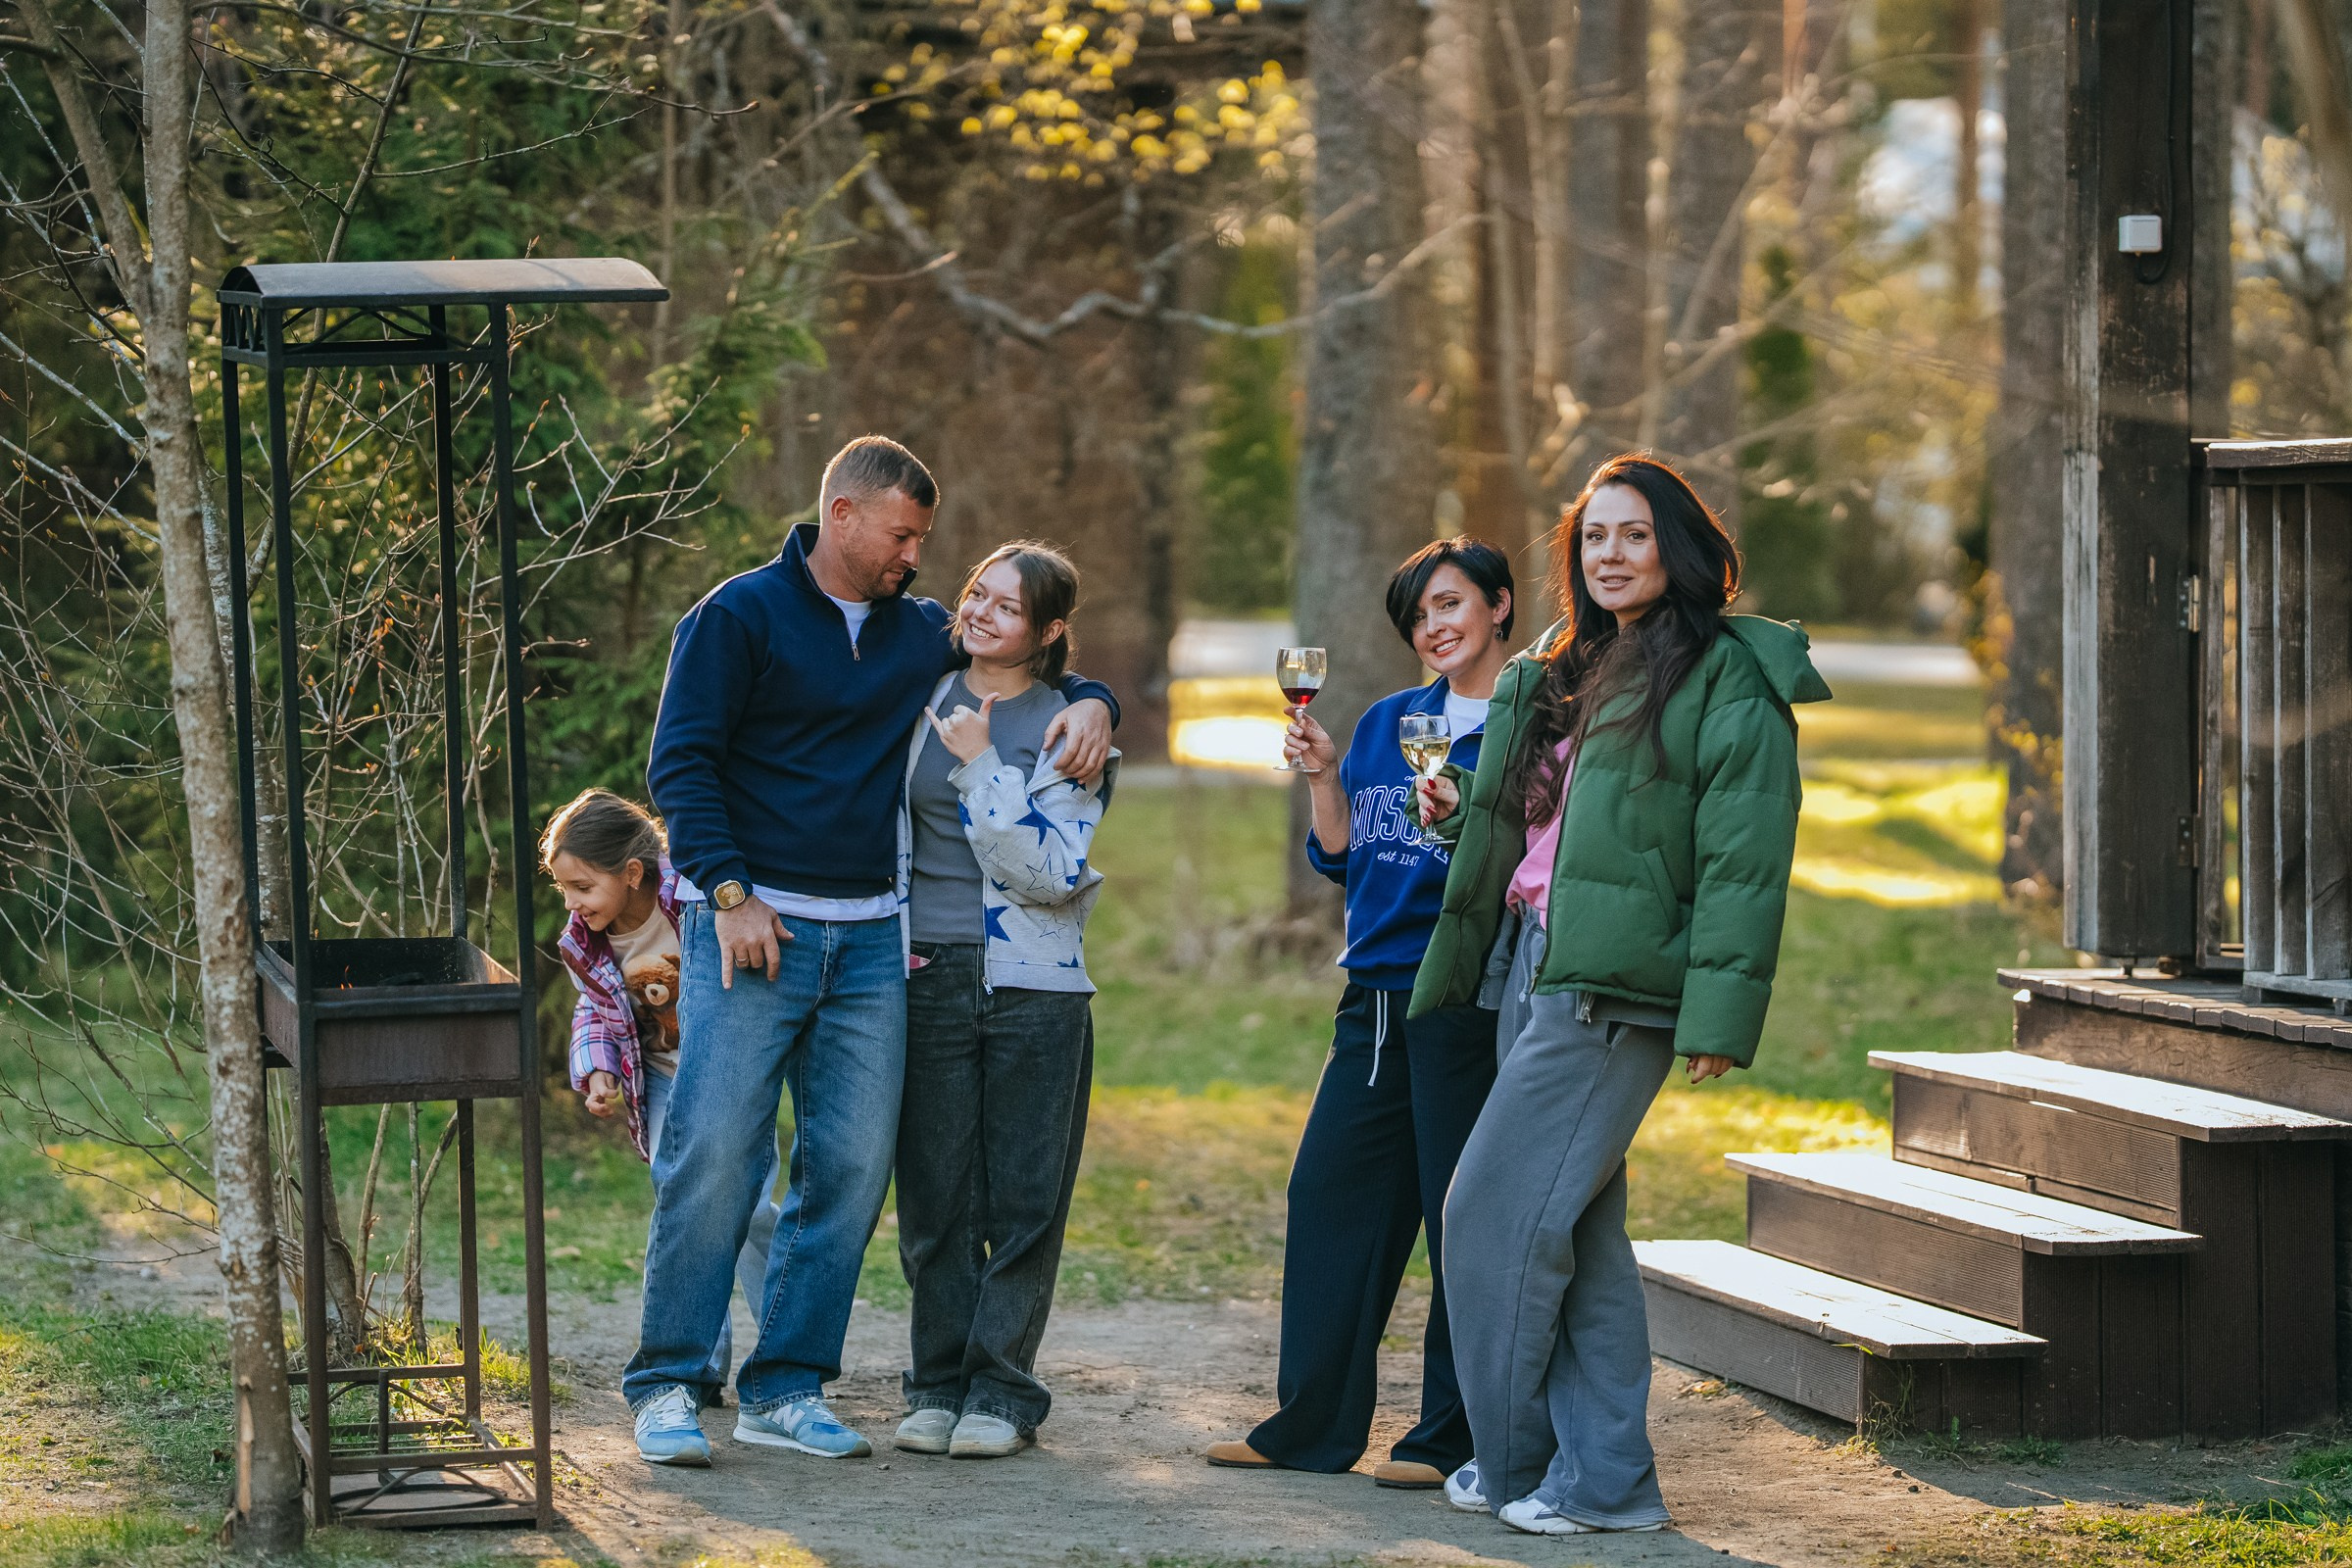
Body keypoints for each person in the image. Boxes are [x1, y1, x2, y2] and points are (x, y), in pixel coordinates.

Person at [624, 437, 1118, 1468]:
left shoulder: (918, 635)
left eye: (922, 541)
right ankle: (668, 1381)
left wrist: (1095, 701)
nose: (914, 557)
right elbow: (682, 762)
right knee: (715, 1153)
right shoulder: (736, 616)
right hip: (754, 930)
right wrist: (729, 892)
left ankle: (787, 1386)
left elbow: (1025, 658)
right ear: (843, 515)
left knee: (848, 1169)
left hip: (872, 943)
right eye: (902, 535)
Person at [1413, 455, 1829, 1536]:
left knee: (1490, 1216)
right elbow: (1551, 834)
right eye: (1593, 537)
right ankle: (1600, 1479)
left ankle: (1521, 1466)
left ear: (1678, 545)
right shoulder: (1572, 662)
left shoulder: (1729, 674)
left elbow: (1744, 860)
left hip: (1611, 995)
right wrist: (1459, 809)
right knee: (1580, 1239)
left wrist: (1718, 1022)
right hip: (1532, 963)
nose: (1610, 555)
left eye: (1633, 534)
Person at [1203, 538, 1515, 1489]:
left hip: (1462, 996)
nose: (1436, 625)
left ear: (1500, 606)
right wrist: (1324, 775)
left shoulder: (1525, 721)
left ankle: (1447, 1436)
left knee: (1459, 1212)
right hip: (1372, 994)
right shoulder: (1389, 720)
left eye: (1453, 603)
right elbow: (1340, 857)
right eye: (1420, 615)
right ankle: (1312, 1425)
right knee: (1330, 1193)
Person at [890, 542, 1114, 1461]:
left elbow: (1054, 873)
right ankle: (936, 1384)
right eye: (977, 592)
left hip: (1036, 987)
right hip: (921, 974)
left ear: (1049, 631)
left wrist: (986, 767)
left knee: (1025, 1199)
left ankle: (1002, 1393)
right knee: (936, 1197)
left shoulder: (1071, 724)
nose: (981, 612)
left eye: (1008, 606)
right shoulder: (918, 691)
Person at [548, 788, 781, 1397]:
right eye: (564, 889)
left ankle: (785, 1351)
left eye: (582, 887)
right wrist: (599, 1071)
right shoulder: (587, 941)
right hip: (660, 1081)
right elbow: (595, 1010)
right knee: (686, 1211)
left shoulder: (697, 895)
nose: (573, 904)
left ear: (630, 873)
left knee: (752, 1211)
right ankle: (698, 1367)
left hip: (729, 1075)